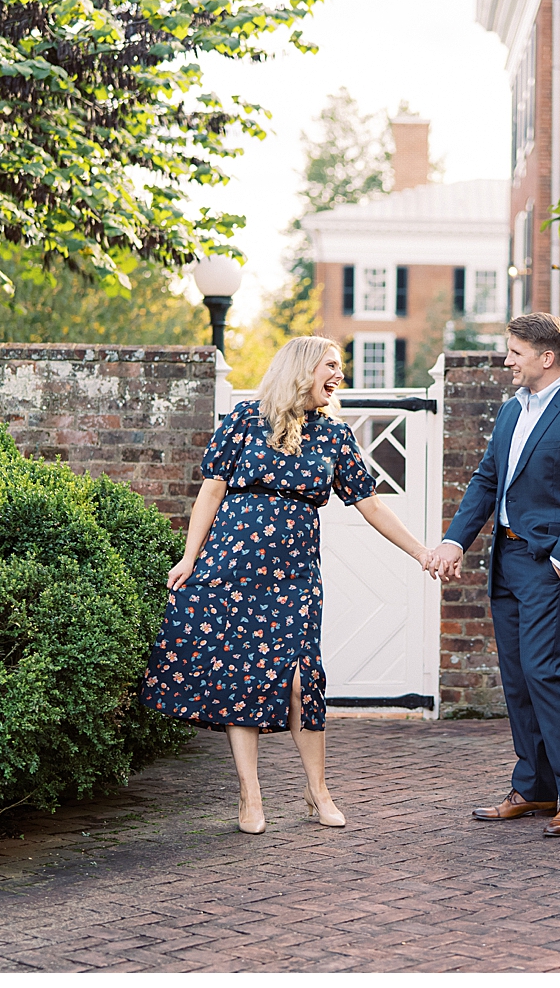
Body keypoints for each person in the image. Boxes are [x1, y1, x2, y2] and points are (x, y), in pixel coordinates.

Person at [140, 336, 435, 834]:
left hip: (294, 576)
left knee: (302, 679)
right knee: (243, 678)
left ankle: (317, 791)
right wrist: (189, 558)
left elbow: (372, 504)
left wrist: (422, 552)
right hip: (231, 568)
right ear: (302, 369)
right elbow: (210, 491)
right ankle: (250, 798)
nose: (339, 375)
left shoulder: (334, 435)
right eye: (332, 366)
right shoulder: (244, 419)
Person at [432, 313, 560, 837]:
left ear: (546, 356)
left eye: (515, 352)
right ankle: (535, 788)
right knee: (516, 678)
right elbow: (487, 479)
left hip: (548, 567)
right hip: (506, 561)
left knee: (544, 672)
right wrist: (454, 540)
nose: (507, 360)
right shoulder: (511, 412)